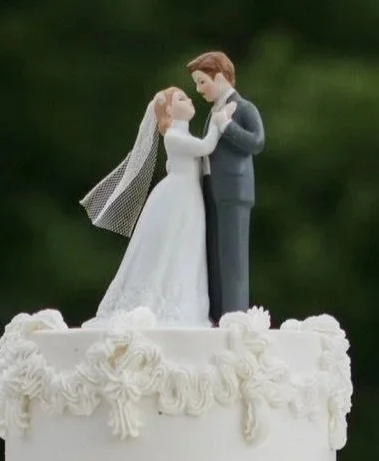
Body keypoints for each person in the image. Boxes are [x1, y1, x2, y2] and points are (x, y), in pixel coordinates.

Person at [82, 85, 235, 327]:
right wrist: (219, 122)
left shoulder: (183, 136)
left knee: (187, 245)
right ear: (170, 111)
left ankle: (186, 303)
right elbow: (206, 146)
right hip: (177, 198)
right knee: (172, 245)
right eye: (181, 98)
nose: (190, 100)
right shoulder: (173, 137)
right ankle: (158, 302)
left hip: (188, 197)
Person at [187, 50, 265, 321]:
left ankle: (234, 316)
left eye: (202, 82)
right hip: (211, 187)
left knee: (233, 256)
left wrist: (228, 126)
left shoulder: (243, 109)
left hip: (233, 190)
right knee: (214, 254)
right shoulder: (214, 111)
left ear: (219, 77)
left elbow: (257, 142)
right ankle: (216, 314)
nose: (199, 89)